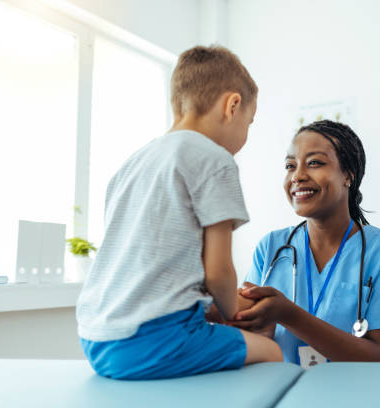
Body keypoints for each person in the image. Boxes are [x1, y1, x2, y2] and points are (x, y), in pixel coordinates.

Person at [76, 45, 282, 380]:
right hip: (153, 338)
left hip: (96, 339)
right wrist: (232, 314)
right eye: (249, 122)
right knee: (270, 351)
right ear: (232, 106)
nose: (246, 134)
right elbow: (218, 272)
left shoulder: (133, 163)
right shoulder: (215, 160)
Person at [231, 120, 380, 365]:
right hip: (288, 393)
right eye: (290, 165)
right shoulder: (271, 247)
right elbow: (249, 330)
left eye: (314, 163)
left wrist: (289, 315)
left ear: (348, 175)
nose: (297, 176)